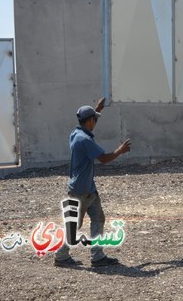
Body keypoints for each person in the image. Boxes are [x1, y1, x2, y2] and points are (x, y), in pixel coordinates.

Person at [54, 98, 131, 268]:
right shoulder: (84, 140)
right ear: (89, 121)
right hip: (81, 192)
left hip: (88, 189)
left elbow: (89, 120)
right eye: (94, 119)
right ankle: (61, 256)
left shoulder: (76, 133)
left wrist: (97, 109)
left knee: (98, 219)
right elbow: (103, 159)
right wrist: (119, 151)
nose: (95, 121)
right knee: (74, 226)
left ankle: (97, 256)